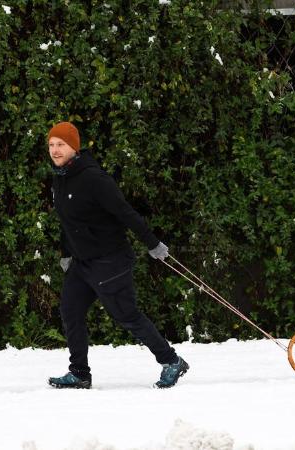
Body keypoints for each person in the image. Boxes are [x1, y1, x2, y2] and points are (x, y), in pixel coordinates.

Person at [44, 121, 189, 389]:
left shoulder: (94, 178)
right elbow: (66, 220)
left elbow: (125, 213)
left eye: (61, 144)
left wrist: (152, 243)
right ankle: (79, 373)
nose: (55, 150)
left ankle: (171, 361)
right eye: (52, 145)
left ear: (74, 147)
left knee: (126, 315)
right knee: (70, 310)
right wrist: (66, 252)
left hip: (110, 259)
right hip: (82, 261)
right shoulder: (60, 178)